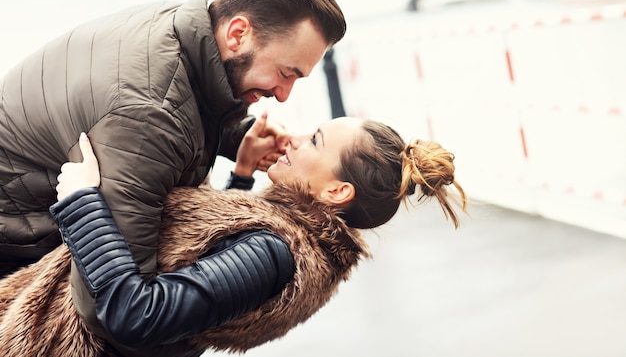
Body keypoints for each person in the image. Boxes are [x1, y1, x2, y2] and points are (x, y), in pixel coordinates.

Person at [0, 0, 346, 336]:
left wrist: (235, 134)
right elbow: (110, 311)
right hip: (14, 256)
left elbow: (186, 95)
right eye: (285, 73)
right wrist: (82, 206)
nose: (283, 96)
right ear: (237, 33)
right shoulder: (149, 114)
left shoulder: (185, 26)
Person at [0, 113, 467, 357]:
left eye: (316, 141)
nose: (296, 139)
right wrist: (242, 175)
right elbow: (203, 255)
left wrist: (82, 203)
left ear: (336, 190)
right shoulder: (285, 238)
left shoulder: (275, 255)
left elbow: (138, 315)